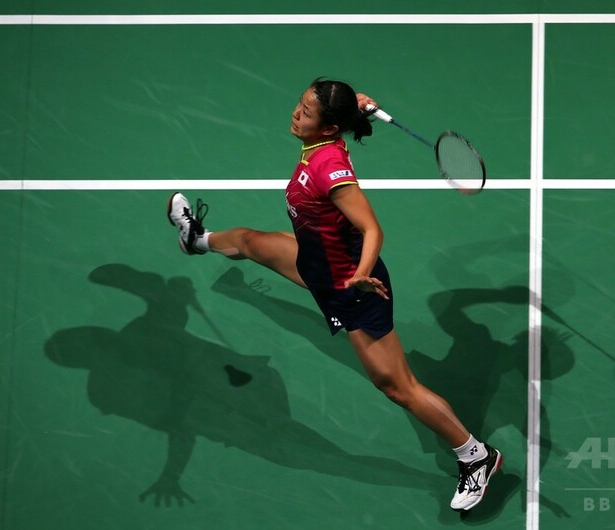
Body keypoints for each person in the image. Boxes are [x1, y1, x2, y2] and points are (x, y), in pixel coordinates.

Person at [166, 78, 501, 511]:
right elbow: (336, 113)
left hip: (352, 288)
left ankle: (476, 456)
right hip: (315, 262)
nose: (296, 114)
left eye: (307, 112)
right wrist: (354, 106)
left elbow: (372, 229)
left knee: (397, 387)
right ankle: (196, 239)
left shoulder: (328, 167)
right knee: (252, 242)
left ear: (327, 128)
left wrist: (360, 275)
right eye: (300, 103)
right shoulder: (324, 138)